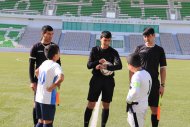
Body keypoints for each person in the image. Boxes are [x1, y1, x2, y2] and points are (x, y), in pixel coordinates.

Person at [129, 27, 167, 127]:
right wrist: (131, 83)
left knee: (154, 109)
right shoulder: (139, 48)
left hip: (154, 83)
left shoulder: (159, 50)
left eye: (148, 36)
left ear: (153, 35)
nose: (146, 38)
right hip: (140, 83)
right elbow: (132, 67)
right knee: (139, 109)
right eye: (144, 36)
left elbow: (163, 68)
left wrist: (162, 85)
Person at [84, 31, 122, 127]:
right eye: (105, 40)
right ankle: (85, 125)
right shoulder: (94, 50)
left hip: (108, 81)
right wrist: (97, 63)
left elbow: (119, 66)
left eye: (109, 41)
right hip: (96, 79)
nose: (106, 43)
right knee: (91, 104)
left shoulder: (113, 52)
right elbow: (89, 65)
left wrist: (107, 67)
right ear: (100, 39)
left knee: (106, 105)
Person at [29, 25, 61, 127]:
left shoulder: (54, 47)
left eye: (52, 34)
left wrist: (57, 82)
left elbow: (58, 64)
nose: (51, 36)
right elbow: (31, 66)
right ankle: (37, 124)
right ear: (43, 34)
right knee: (37, 104)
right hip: (40, 81)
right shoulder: (36, 47)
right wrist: (32, 81)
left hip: (51, 81)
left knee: (50, 104)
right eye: (49, 34)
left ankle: (46, 123)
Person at [35, 44, 64, 127]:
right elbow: (61, 77)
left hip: (39, 96)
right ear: (55, 55)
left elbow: (37, 71)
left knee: (40, 121)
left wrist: (43, 82)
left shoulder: (45, 62)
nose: (59, 54)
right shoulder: (55, 65)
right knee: (47, 123)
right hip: (48, 98)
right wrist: (52, 86)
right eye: (59, 52)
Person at [126, 53, 152, 127]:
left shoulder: (136, 76)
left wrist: (128, 100)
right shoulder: (146, 73)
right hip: (143, 104)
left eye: (128, 64)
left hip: (136, 107)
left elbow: (135, 91)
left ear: (131, 65)